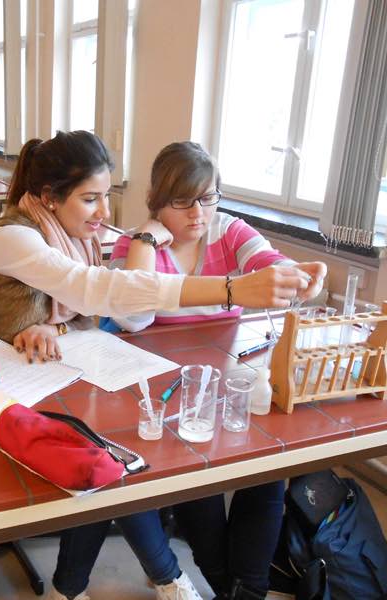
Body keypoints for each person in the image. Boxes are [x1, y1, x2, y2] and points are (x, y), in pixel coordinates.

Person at [0, 131, 315, 600]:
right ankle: (167, 576)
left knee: (122, 453)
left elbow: (74, 311)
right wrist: (229, 289)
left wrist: (52, 328)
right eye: (91, 199)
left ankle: (91, 585)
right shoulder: (11, 237)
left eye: (107, 196)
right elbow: (95, 291)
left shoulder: (74, 234)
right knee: (113, 458)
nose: (104, 212)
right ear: (49, 197)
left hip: (47, 371)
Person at [107, 141, 327, 599]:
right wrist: (146, 239)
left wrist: (295, 274)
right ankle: (241, 589)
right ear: (156, 200)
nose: (198, 214)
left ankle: (243, 590)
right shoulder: (134, 244)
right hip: (169, 389)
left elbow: (268, 263)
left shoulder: (228, 230)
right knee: (200, 486)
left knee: (267, 469)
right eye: (182, 201)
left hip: (228, 378)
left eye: (207, 198)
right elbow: (134, 318)